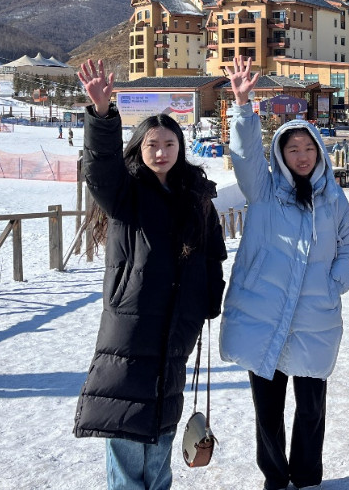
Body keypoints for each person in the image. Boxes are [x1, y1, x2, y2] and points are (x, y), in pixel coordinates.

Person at [72, 58, 227, 490]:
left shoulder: (196, 195)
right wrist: (102, 114)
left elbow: (212, 254)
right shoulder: (126, 194)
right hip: (131, 325)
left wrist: (208, 301)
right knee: (125, 423)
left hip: (179, 324)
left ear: (180, 147)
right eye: (152, 144)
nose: (161, 152)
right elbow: (100, 169)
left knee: (161, 425)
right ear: (139, 148)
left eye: (169, 144)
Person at [219, 55, 349, 490]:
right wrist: (243, 107)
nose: (302, 156)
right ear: (280, 153)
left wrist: (338, 279)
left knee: (312, 407)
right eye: (292, 149)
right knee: (268, 409)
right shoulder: (263, 190)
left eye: (308, 148)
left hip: (315, 313)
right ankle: (276, 479)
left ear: (319, 151)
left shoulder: (332, 197)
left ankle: (308, 477)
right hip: (264, 311)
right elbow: (245, 156)